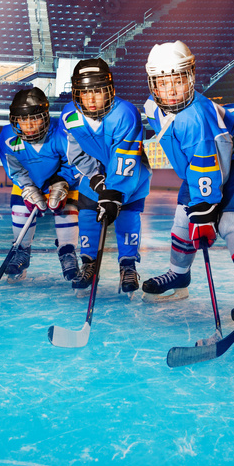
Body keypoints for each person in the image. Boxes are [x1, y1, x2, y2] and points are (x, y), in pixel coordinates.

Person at [141, 41, 234, 329]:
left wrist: (206, 208)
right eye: (163, 83)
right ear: (153, 85)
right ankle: (179, 273)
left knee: (230, 222)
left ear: (190, 77)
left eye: (178, 81)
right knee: (182, 216)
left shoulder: (195, 116)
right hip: (203, 161)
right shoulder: (153, 108)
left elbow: (215, 165)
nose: (172, 90)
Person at [59, 58, 151, 296]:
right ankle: (89, 264)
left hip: (129, 174)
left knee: (127, 217)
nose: (90, 99)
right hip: (95, 176)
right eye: (84, 92)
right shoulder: (70, 115)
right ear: (76, 94)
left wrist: (113, 190)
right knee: (88, 215)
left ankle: (128, 266)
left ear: (109, 90)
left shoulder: (125, 113)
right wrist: (95, 176)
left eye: (97, 91)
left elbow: (126, 156)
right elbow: (75, 152)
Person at [0, 87, 80, 283]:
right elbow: (14, 169)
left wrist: (62, 182)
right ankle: (21, 252)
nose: (29, 125)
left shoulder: (62, 133)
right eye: (22, 119)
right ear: (14, 119)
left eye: (35, 118)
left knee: (66, 212)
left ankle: (67, 252)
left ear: (46, 116)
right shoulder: (7, 137)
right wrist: (28, 187)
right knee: (20, 211)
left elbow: (74, 162)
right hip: (29, 182)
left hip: (61, 182)